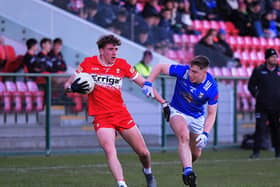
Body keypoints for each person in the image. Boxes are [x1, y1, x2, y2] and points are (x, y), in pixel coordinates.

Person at [64, 35, 157, 187]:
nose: (114, 52)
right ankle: (121, 183)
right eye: (110, 49)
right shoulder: (88, 64)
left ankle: (148, 172)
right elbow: (67, 85)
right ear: (101, 51)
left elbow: (143, 83)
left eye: (116, 49)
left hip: (121, 114)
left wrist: (152, 92)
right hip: (102, 117)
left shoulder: (122, 64)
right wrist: (73, 87)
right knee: (109, 149)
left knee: (144, 153)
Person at [142, 55, 218, 187]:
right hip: (177, 111)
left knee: (195, 154)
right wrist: (148, 82)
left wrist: (205, 133)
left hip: (197, 118)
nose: (190, 74)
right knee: (183, 135)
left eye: (195, 72)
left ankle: (186, 168)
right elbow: (160, 66)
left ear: (204, 72)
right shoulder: (183, 71)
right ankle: (189, 171)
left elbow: (212, 114)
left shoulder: (211, 88)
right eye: (190, 70)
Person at [248, 48, 280, 159]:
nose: (274, 59)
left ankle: (278, 151)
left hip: (277, 106)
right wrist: (257, 95)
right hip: (262, 106)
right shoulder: (259, 70)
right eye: (272, 57)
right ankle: (256, 152)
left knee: (276, 129)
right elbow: (251, 85)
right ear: (266, 59)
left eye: (276, 57)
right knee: (260, 128)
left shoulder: (279, 71)